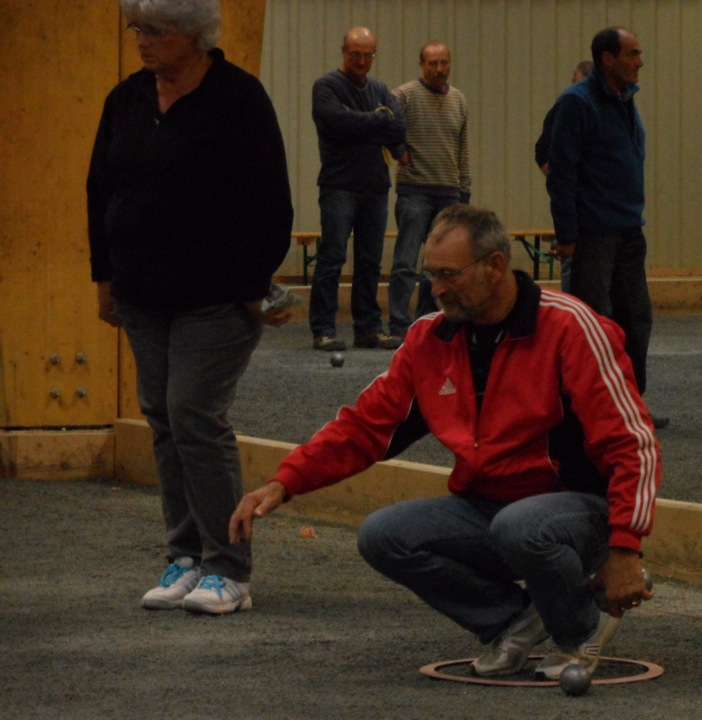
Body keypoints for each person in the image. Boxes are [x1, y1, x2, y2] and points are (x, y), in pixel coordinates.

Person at [230, 204, 661, 680]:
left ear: (495, 267)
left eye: (448, 275)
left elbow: (633, 445)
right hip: (489, 507)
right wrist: (285, 482)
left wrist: (625, 549)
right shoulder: (428, 339)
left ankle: (579, 628)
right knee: (384, 535)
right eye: (429, 274)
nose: (434, 289)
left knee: (520, 527)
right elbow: (364, 427)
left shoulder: (570, 327)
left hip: (576, 512)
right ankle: (517, 621)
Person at [86, 0, 294, 615]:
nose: (141, 41)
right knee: (161, 416)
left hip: (218, 294)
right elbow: (100, 189)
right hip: (141, 293)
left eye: (154, 31)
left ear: (195, 35)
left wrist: (253, 282)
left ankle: (229, 569)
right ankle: (186, 555)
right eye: (137, 29)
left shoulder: (240, 98)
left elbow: (270, 199)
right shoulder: (125, 99)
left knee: (193, 411)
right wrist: (105, 279)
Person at [546, 28, 668, 429]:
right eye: (633, 54)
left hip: (629, 229)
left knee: (635, 319)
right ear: (607, 59)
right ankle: (586, 410)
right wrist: (567, 235)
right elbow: (561, 173)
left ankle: (630, 405)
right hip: (594, 233)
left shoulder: (625, 99)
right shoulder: (576, 104)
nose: (640, 61)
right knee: (592, 324)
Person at [309, 27, 406, 352]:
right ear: (343, 52)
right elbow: (338, 123)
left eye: (368, 55)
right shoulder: (326, 87)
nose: (362, 60)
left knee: (370, 262)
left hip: (376, 187)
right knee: (332, 258)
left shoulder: (379, 89)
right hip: (339, 186)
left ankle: (368, 329)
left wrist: (366, 122)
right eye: (356, 54)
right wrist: (378, 121)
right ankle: (323, 329)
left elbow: (398, 127)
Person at [385, 41, 471, 343]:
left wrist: (465, 191)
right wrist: (398, 151)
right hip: (414, 191)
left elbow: (463, 150)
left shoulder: (459, 100)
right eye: (433, 63)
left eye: (444, 62)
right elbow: (384, 123)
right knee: (406, 262)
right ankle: (398, 322)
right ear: (422, 65)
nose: (439, 69)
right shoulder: (405, 95)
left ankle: (426, 321)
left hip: (449, 191)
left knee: (438, 266)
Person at [534, 60, 593, 293]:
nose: (574, 91)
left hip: (596, 203)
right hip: (573, 201)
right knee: (571, 262)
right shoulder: (563, 107)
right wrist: (560, 179)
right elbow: (541, 151)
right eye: (573, 85)